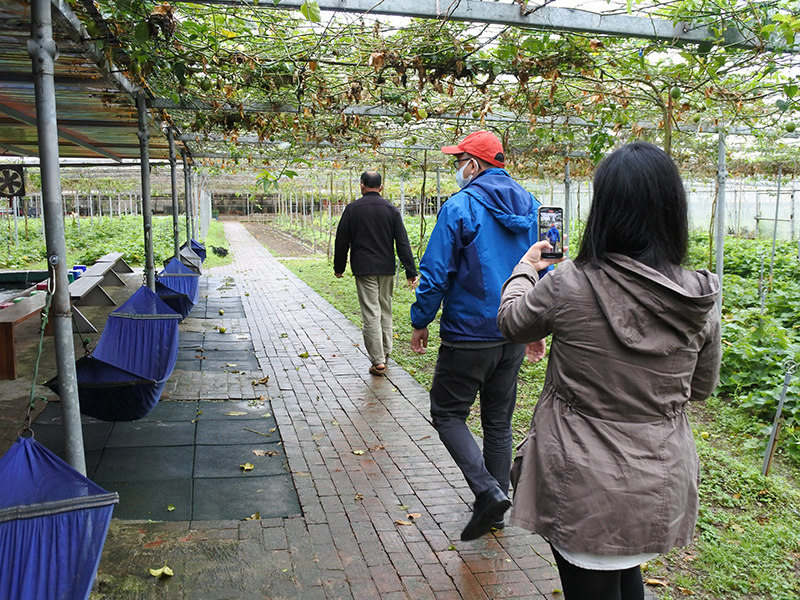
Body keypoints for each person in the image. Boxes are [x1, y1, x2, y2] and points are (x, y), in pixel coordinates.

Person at [497, 142, 721, 600]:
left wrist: (525, 269)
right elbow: (701, 388)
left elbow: (512, 323)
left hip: (582, 480)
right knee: (625, 573)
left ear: (605, 209)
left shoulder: (568, 282)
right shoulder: (699, 295)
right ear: (671, 211)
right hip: (657, 480)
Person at [409, 130, 546, 541]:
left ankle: (488, 493)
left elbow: (435, 273)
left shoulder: (461, 206)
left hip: (469, 333)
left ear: (475, 165)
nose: (458, 167)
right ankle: (497, 509)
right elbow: (546, 270)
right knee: (498, 422)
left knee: (447, 413)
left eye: (461, 159)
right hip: (514, 331)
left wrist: (421, 320)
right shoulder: (536, 208)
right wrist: (534, 327)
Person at [334, 171, 418, 375]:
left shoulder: (352, 209)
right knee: (385, 309)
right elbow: (402, 241)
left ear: (361, 185)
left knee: (371, 312)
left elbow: (342, 240)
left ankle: (378, 360)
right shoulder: (391, 209)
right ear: (381, 187)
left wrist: (339, 267)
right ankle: (386, 352)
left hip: (364, 268)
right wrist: (410, 270)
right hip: (387, 268)